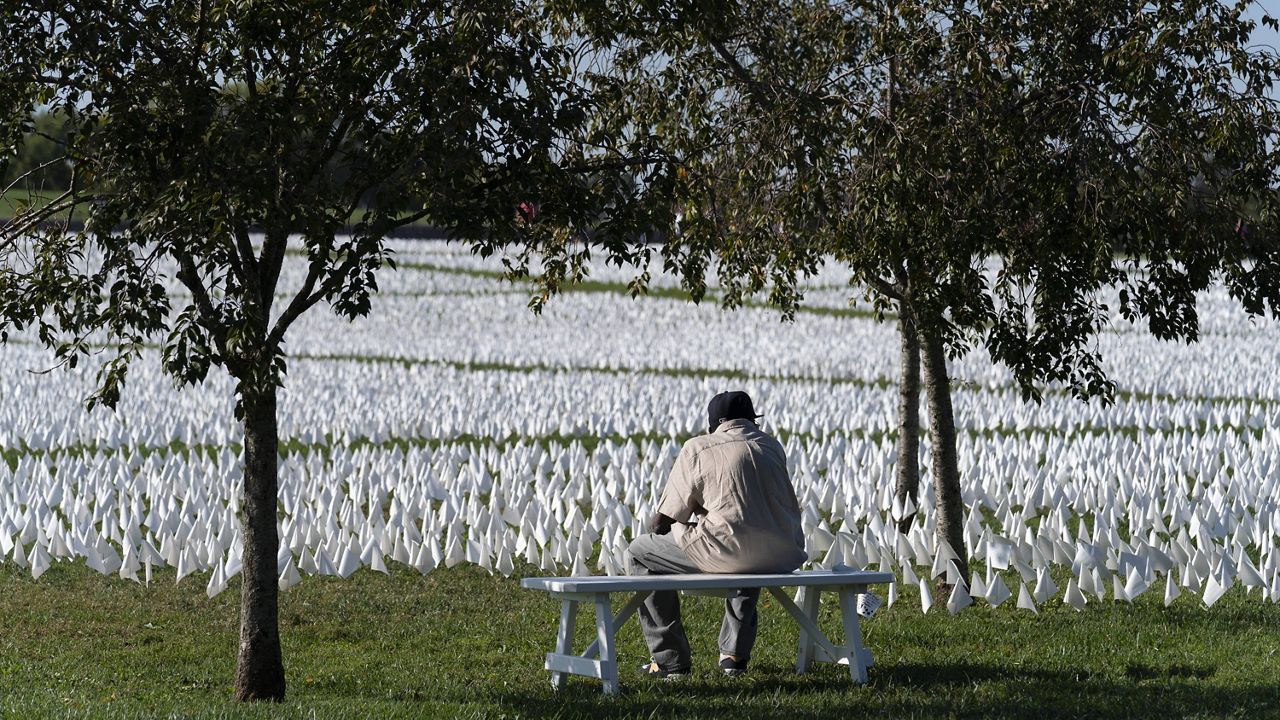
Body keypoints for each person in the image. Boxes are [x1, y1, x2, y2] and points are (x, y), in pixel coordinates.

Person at [627, 390, 807, 679]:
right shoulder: (772, 446)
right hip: (785, 552)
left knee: (640, 552)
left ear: (714, 425)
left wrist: (695, 509)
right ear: (752, 420)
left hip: (732, 551)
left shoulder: (698, 449)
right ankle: (733, 654)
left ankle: (669, 659)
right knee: (747, 542)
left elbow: (660, 524)